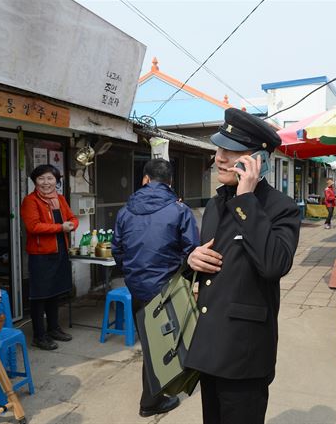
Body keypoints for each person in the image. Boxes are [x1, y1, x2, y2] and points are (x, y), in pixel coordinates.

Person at [185, 108, 301, 424]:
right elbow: (210, 261)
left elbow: (274, 264)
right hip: (209, 343)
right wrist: (191, 260)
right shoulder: (215, 203)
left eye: (231, 151)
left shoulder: (280, 208)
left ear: (256, 161)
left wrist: (246, 198)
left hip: (244, 353)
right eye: (219, 149)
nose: (219, 158)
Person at [112, 158, 199, 418]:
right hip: (167, 287)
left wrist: (132, 271)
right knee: (163, 344)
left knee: (153, 342)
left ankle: (159, 393)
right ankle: (150, 402)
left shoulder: (125, 211)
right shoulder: (180, 210)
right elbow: (192, 251)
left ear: (145, 179)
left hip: (137, 287)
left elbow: (118, 250)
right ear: (170, 181)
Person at [21, 164, 78, 351]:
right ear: (35, 181)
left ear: (56, 181)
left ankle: (53, 328)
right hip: (40, 254)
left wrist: (73, 224)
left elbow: (72, 217)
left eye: (50, 178)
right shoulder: (30, 201)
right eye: (41, 179)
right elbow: (33, 227)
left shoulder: (59, 199)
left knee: (55, 291)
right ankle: (39, 336)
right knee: (39, 296)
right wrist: (61, 227)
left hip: (60, 250)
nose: (46, 183)